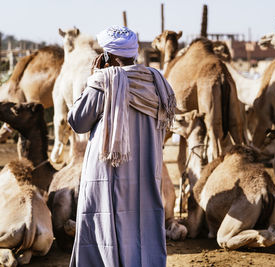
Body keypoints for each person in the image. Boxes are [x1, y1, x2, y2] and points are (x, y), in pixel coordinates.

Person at [68, 25, 175, 267]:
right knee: (143, 223)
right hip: (146, 170)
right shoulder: (157, 83)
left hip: (107, 169)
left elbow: (78, 122)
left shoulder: (103, 82)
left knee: (103, 219)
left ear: (108, 56)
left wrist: (92, 78)